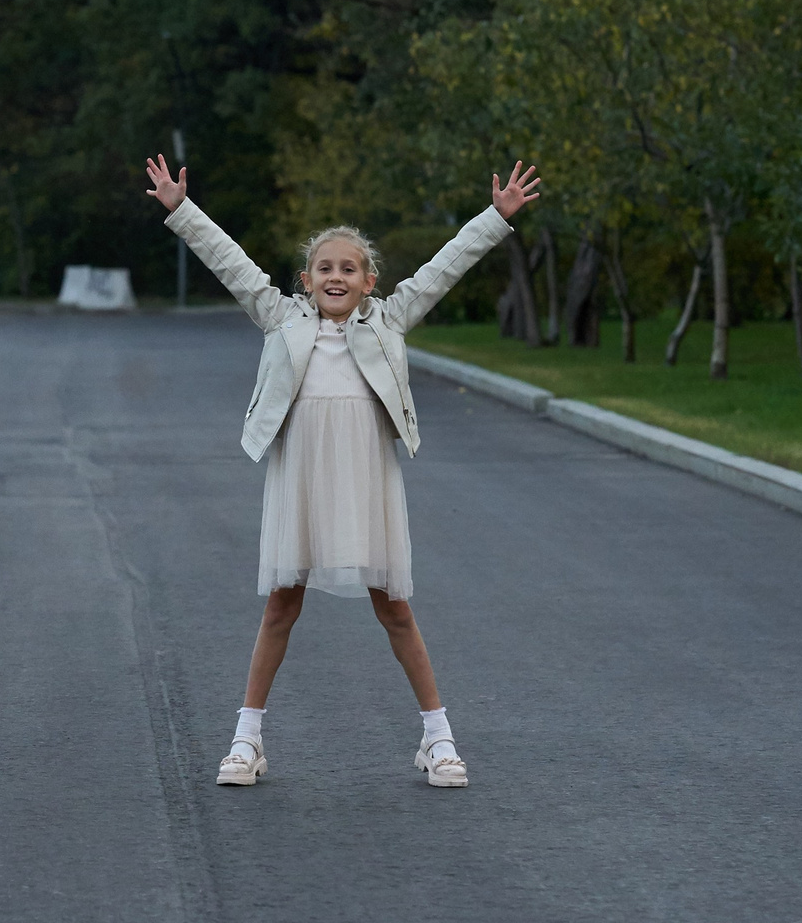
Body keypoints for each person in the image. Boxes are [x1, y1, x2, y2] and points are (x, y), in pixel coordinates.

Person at [142, 153, 543, 788]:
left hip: (366, 483)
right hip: (300, 481)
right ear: (305, 280)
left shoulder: (388, 322)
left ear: (369, 281)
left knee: (396, 609)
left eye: (348, 268)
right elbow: (230, 263)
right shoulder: (280, 320)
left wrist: (496, 217)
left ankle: (437, 739)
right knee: (281, 605)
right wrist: (180, 209)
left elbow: (445, 268)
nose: (336, 276)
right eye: (325, 268)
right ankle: (247, 739)